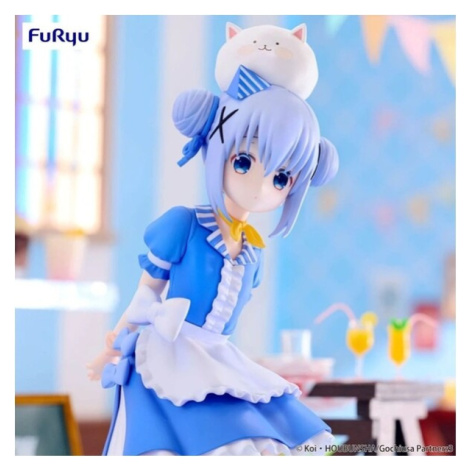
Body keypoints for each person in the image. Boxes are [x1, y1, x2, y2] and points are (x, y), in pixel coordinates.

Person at [87, 66, 339, 456]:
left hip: (220, 359)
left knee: (287, 439)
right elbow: (147, 293)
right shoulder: (183, 226)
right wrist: (115, 344)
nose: (260, 186)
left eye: (280, 178)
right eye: (244, 162)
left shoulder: (253, 254)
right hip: (169, 356)